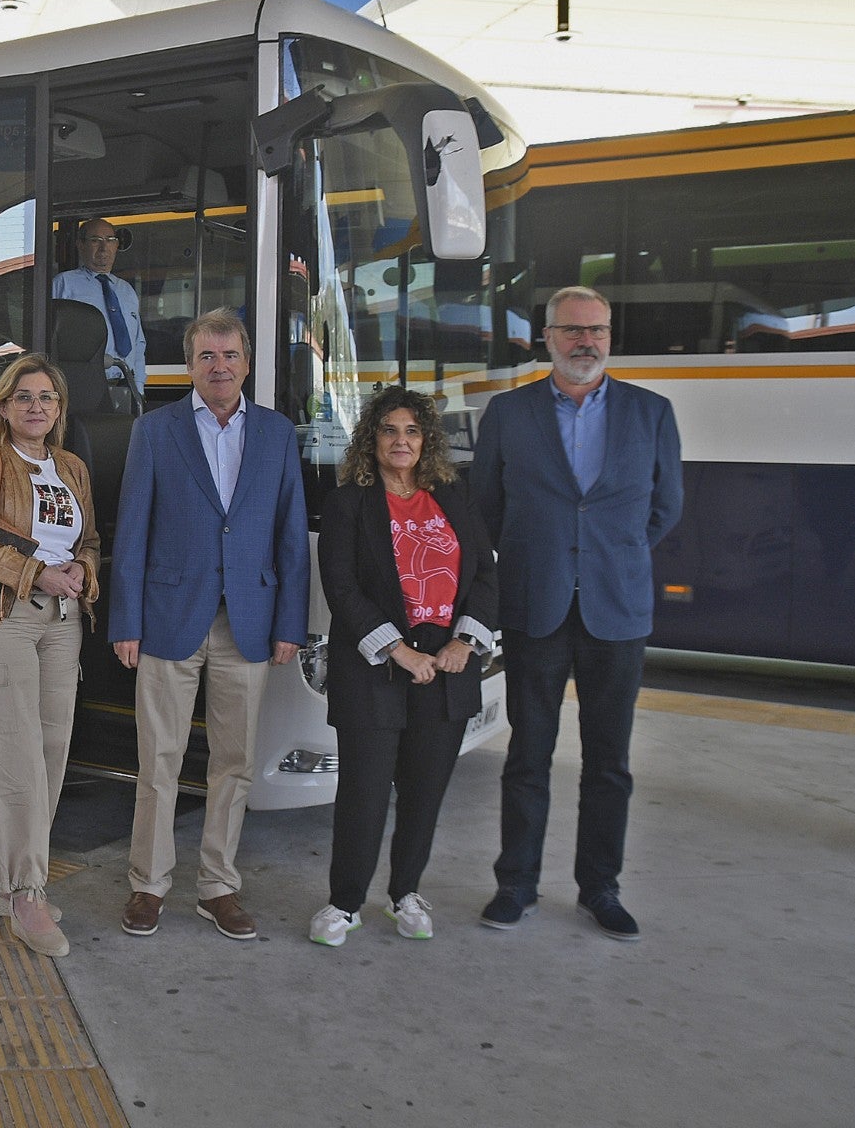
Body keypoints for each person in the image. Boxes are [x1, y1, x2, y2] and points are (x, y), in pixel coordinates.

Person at [472, 285, 682, 941]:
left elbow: (666, 506)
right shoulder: (509, 412)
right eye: (572, 330)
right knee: (527, 756)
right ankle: (516, 884)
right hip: (535, 605)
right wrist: (541, 556)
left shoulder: (651, 413)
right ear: (548, 337)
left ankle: (600, 888)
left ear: (610, 336)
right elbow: (486, 508)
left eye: (597, 330)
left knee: (609, 762)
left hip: (616, 610)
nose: (585, 341)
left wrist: (608, 555)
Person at [110, 308, 309, 941]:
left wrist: (290, 623)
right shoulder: (155, 430)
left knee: (235, 762)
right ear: (190, 365)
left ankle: (218, 887)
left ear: (247, 364)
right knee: (159, 759)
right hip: (168, 617)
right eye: (206, 356)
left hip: (247, 622)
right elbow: (132, 531)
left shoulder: (277, 433)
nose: (219, 367)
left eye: (229, 356)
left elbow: (290, 535)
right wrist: (126, 621)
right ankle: (148, 884)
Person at [309, 387, 497, 947]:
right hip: (375, 666)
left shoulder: (454, 496)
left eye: (412, 431)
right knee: (363, 794)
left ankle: (405, 894)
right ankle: (344, 904)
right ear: (372, 439)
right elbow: (341, 587)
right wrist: (399, 650)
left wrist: (464, 642)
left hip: (447, 666)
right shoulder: (348, 503)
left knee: (424, 791)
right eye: (390, 430)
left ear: (426, 440)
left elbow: (486, 574)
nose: (401, 441)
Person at [0, 353, 100, 958]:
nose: (36, 406)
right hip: (4, 617)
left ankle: (0, 881)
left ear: (59, 409)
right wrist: (36, 573)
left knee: (51, 753)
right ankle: (27, 894)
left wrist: (82, 569)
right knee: (15, 758)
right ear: (4, 406)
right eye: (24, 397)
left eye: (47, 397)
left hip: (64, 620)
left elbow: (90, 539)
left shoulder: (72, 467)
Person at [52, 218, 146, 393]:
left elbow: (138, 343)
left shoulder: (126, 291)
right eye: (95, 240)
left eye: (110, 240)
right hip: (81, 386)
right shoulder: (63, 284)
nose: (104, 248)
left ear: (116, 245)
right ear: (81, 245)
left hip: (126, 386)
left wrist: (138, 387)